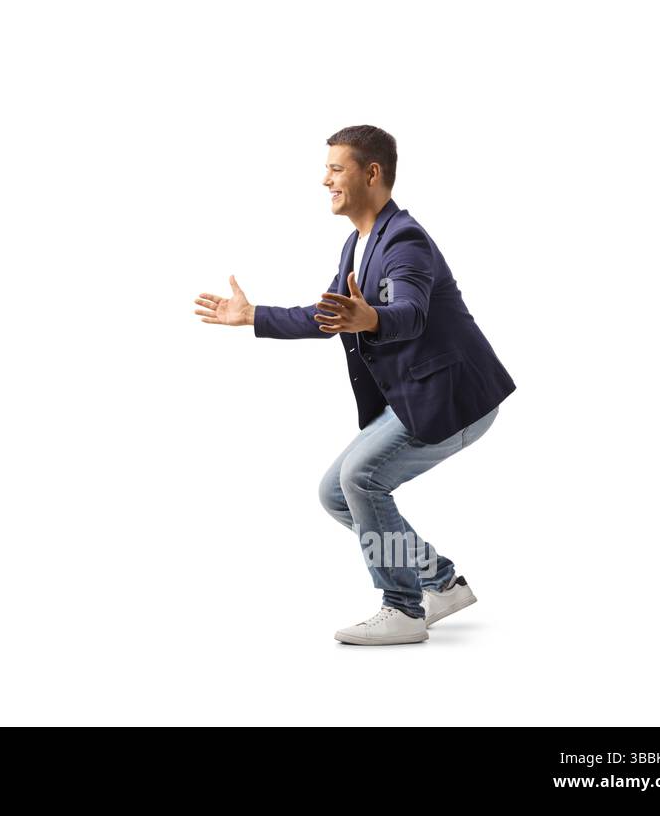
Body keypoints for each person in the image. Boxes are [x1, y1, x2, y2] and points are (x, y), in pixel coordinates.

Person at [194, 125, 515, 645]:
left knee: (361, 479)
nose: (325, 180)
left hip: (453, 398)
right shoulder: (358, 243)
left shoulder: (405, 241)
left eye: (335, 168)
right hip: (414, 396)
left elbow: (408, 314)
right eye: (326, 169)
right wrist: (252, 315)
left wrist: (372, 319)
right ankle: (440, 582)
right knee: (337, 491)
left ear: (372, 173)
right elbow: (329, 317)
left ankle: (403, 609)